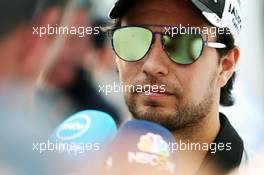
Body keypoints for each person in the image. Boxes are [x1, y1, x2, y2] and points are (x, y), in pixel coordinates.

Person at [107, 0, 244, 174]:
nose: (152, 65)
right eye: (133, 39)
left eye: (183, 43)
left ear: (225, 66)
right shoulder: (85, 163)